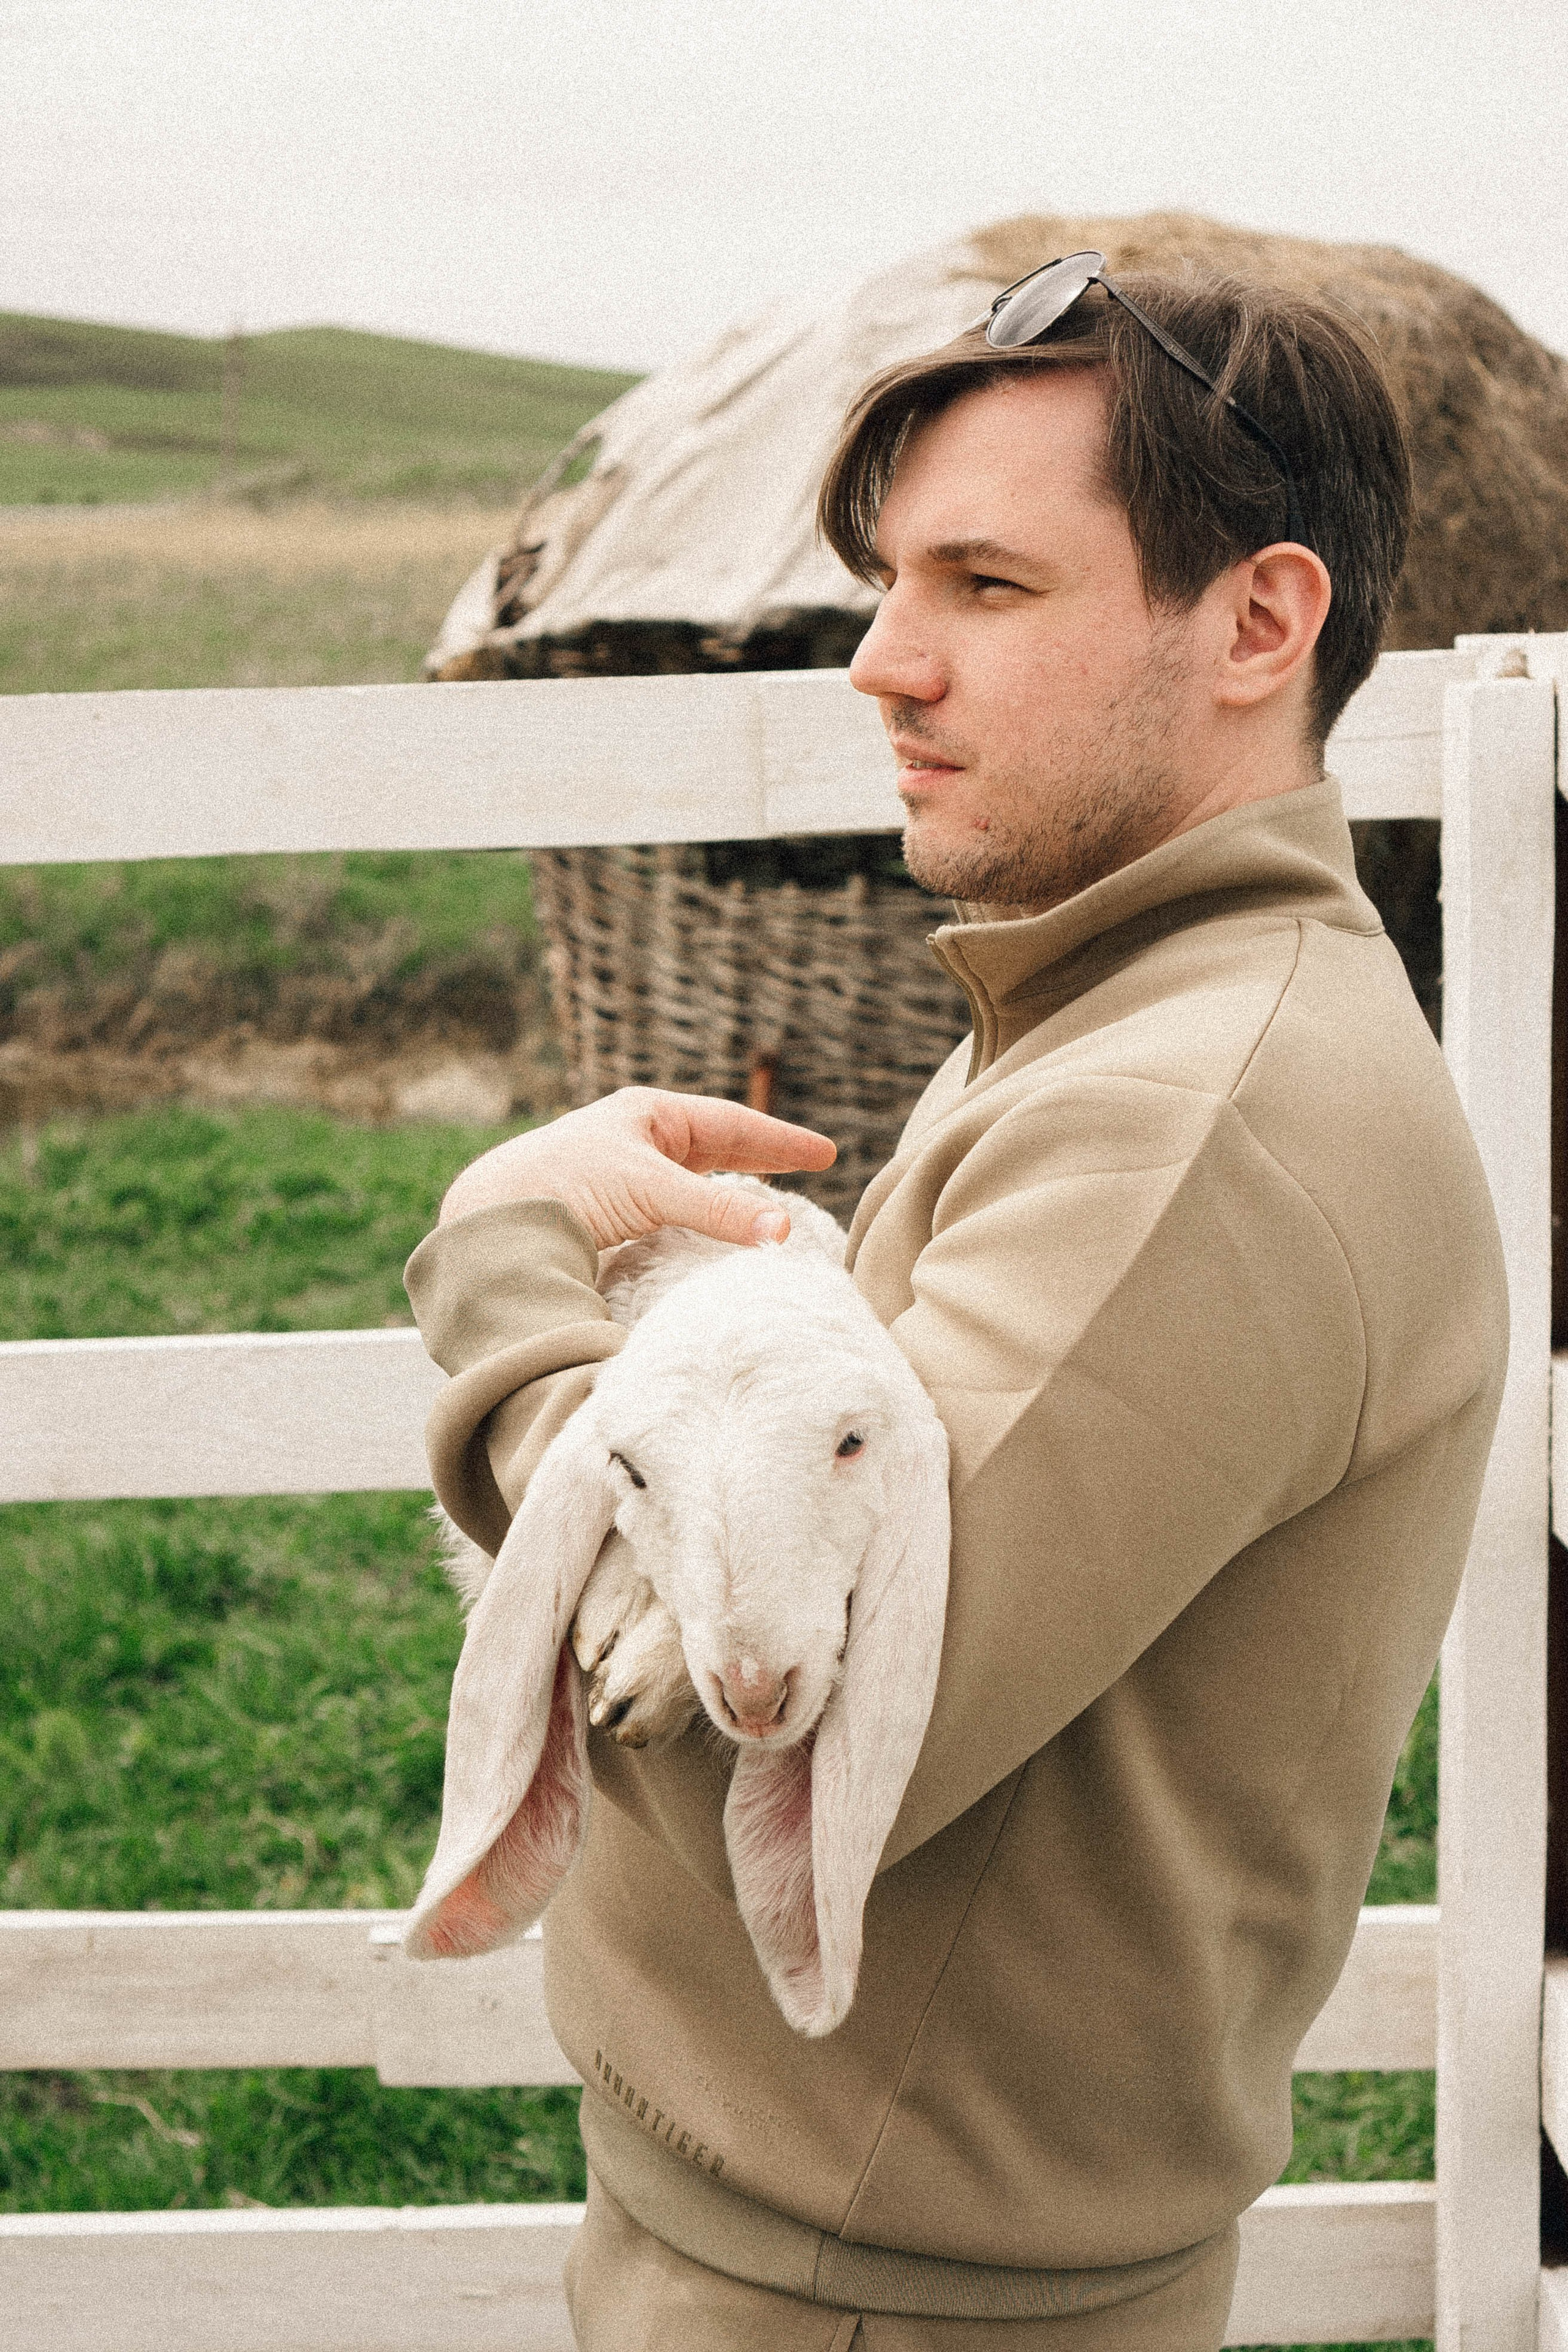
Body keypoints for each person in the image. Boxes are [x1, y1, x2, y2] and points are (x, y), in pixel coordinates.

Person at [403, 257, 1507, 2350]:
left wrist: (517, 1267)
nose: (883, 663)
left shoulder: (1201, 1118)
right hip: (835, 2240)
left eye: (985, 587)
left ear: (1259, 624)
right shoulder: (1110, 1002)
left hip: (876, 2301)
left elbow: (783, 1694)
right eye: (890, 583)